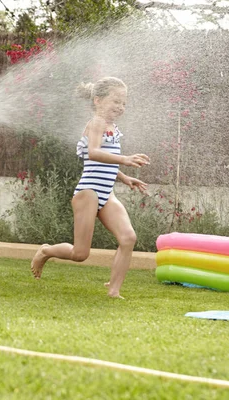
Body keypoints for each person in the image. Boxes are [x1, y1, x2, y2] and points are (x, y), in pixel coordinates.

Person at [30, 77, 149, 298]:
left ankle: (114, 291)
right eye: (115, 101)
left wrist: (124, 178)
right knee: (80, 253)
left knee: (128, 238)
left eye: (124, 103)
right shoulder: (96, 123)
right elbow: (93, 152)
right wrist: (124, 159)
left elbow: (102, 162)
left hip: (106, 193)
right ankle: (46, 250)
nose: (120, 107)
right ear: (97, 101)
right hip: (89, 192)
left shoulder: (114, 127)